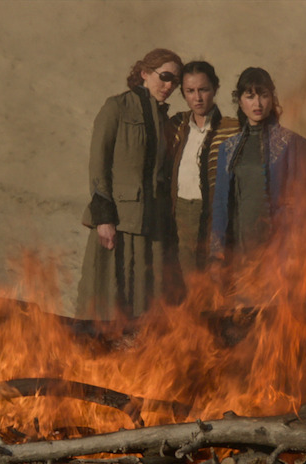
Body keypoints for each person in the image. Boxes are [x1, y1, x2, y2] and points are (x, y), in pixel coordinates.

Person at [75, 49, 182, 319]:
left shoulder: (163, 118)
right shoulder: (116, 108)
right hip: (120, 222)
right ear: (144, 73)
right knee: (111, 296)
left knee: (148, 300)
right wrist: (104, 219)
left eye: (175, 82)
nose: (169, 86)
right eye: (165, 77)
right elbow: (98, 166)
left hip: (153, 223)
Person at [210, 67, 306, 263]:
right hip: (239, 252)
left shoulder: (294, 144)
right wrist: (216, 254)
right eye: (250, 96)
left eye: (263, 96)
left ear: (271, 99)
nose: (257, 103)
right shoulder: (228, 148)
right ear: (240, 102)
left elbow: (303, 205)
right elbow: (220, 205)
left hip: (280, 253)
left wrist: (296, 251)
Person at [169, 61, 239, 274]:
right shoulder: (175, 126)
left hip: (215, 214)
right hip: (180, 215)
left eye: (203, 90)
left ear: (215, 88)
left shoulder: (232, 128)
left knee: (215, 279)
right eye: (190, 91)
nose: (197, 98)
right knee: (185, 282)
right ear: (183, 93)